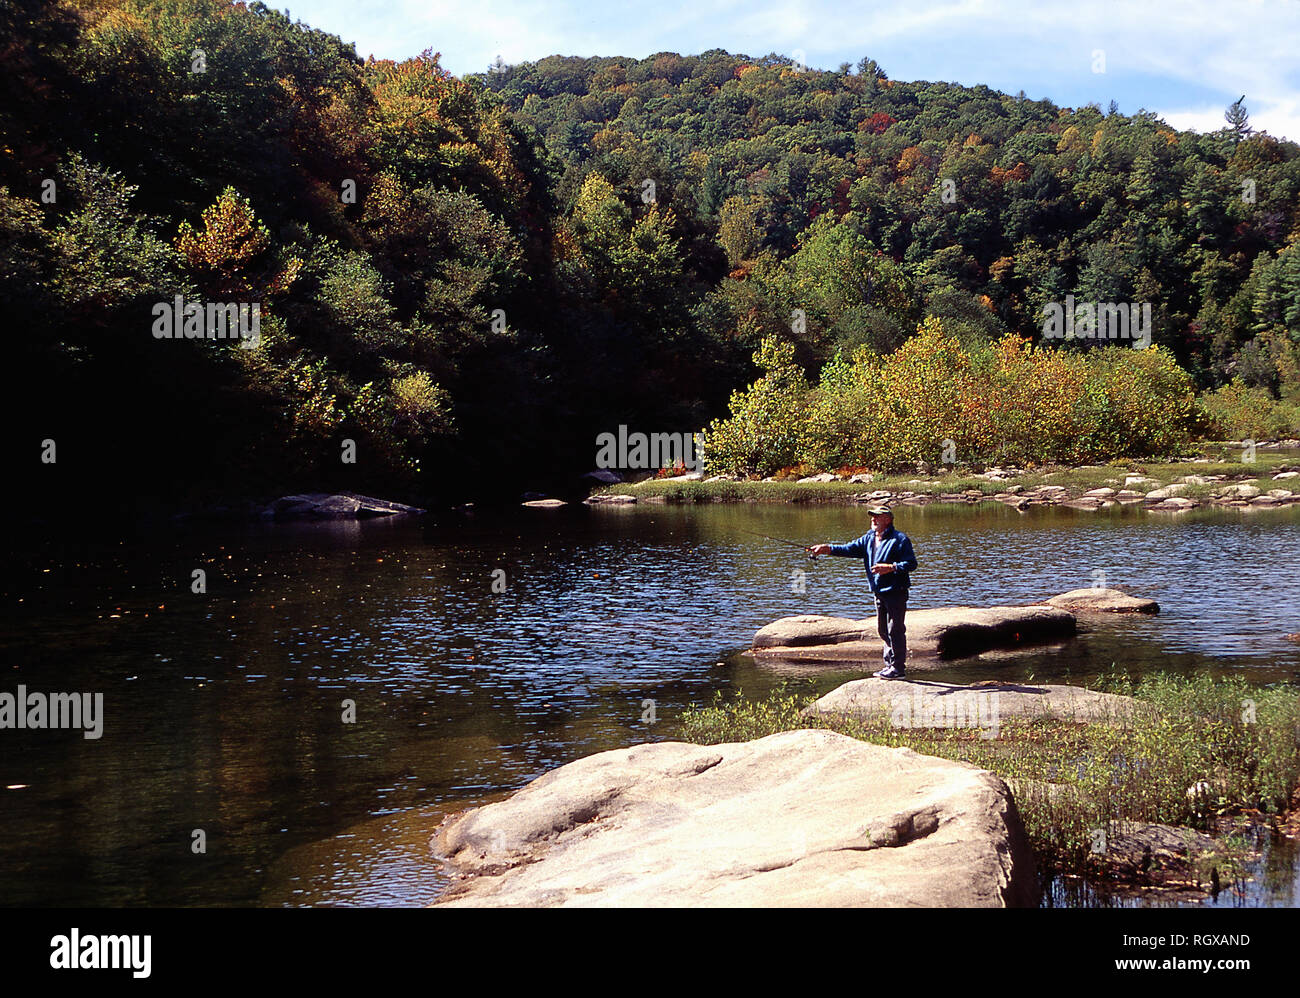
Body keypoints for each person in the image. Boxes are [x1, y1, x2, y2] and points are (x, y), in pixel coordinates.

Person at [810, 506, 917, 679]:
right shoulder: (869, 537)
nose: (873, 519)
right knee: (883, 630)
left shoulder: (900, 539)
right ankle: (889, 665)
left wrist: (891, 568)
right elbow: (850, 549)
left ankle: (898, 669)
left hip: (896, 592)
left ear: (888, 520)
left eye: (878, 517)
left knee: (895, 630)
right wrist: (827, 549)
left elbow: (911, 564)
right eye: (872, 516)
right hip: (879, 592)